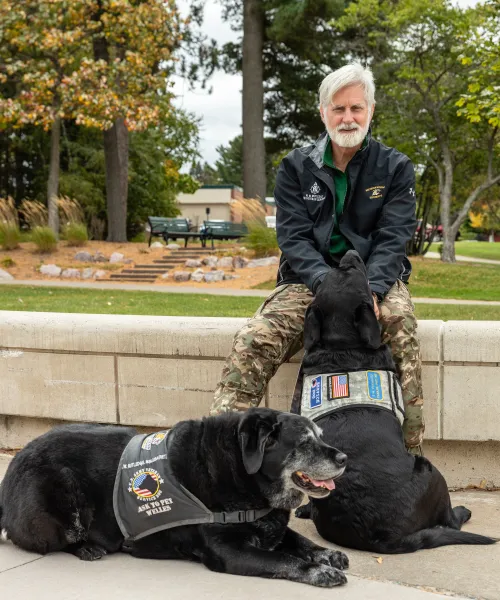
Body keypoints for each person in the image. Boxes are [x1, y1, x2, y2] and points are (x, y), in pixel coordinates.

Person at [209, 63, 424, 454]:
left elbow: (393, 240)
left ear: (370, 111)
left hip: (376, 283)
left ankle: (411, 462)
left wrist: (368, 292)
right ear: (323, 111)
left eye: (356, 108)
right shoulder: (295, 166)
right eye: (338, 108)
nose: (347, 118)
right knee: (253, 339)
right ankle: (218, 457)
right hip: (308, 281)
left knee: (401, 326)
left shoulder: (395, 168)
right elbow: (293, 239)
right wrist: (327, 287)